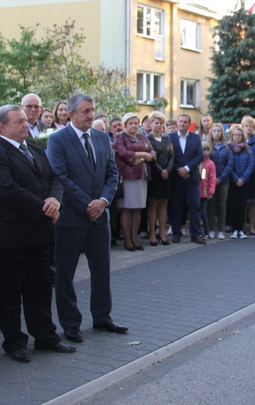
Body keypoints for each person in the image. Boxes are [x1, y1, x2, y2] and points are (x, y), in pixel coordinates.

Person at [0, 105, 75, 363]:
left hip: (39, 232)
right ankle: (14, 342)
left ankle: (45, 335)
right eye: (19, 121)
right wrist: (43, 207)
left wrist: (55, 198)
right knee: (10, 292)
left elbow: (54, 177)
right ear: (2, 127)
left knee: (40, 288)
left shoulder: (33, 148)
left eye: (25, 120)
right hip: (10, 235)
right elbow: (6, 190)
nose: (26, 124)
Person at [46, 94, 127, 343]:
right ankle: (70, 323)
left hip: (99, 216)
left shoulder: (102, 137)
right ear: (71, 115)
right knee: (65, 273)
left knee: (101, 269)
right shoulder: (58, 140)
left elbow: (112, 174)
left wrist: (103, 202)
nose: (91, 115)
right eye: (86, 111)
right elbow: (60, 176)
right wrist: (87, 204)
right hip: (71, 217)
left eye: (92, 110)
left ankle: (102, 316)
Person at [113, 113, 154, 250]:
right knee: (127, 208)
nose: (134, 126)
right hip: (128, 176)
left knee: (137, 208)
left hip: (142, 175)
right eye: (130, 123)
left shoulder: (142, 137)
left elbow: (152, 153)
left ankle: (135, 239)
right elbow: (122, 153)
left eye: (136, 123)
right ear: (125, 125)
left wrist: (142, 158)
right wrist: (143, 154)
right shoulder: (120, 137)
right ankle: (127, 240)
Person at [168, 114, 206, 245]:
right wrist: (181, 169)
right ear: (177, 123)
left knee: (195, 206)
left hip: (192, 177)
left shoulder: (195, 138)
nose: (182, 124)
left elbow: (200, 155)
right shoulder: (170, 137)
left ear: (189, 124)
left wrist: (188, 168)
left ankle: (196, 234)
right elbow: (170, 156)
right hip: (177, 177)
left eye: (185, 122)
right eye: (180, 121)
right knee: (176, 206)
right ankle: (176, 233)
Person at [146, 112, 174, 246]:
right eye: (156, 122)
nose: (159, 125)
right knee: (153, 204)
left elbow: (172, 156)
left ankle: (162, 232)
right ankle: (152, 232)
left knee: (164, 204)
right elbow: (150, 158)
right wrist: (160, 170)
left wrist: (167, 170)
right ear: (150, 124)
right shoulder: (147, 139)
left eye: (161, 123)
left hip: (166, 176)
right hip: (154, 175)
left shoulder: (167, 139)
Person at [226, 126, 253, 239]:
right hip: (233, 181)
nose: (237, 137)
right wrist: (236, 178)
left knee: (242, 205)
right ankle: (234, 228)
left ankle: (241, 229)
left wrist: (243, 178)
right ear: (232, 136)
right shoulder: (228, 148)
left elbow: (250, 164)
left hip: (244, 181)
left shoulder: (247, 149)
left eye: (239, 135)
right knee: (233, 205)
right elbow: (228, 165)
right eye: (235, 135)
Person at [208, 123, 231, 239]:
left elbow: (230, 163)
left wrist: (220, 177)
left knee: (221, 204)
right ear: (210, 132)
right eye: (214, 131)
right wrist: (211, 179)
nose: (216, 133)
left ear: (222, 133)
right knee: (210, 205)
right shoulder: (207, 146)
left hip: (223, 180)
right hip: (209, 180)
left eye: (218, 131)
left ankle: (221, 229)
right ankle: (211, 229)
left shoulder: (226, 146)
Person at [198, 141, 216, 239]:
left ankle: (206, 231)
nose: (205, 152)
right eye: (203, 150)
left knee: (203, 213)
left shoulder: (210, 164)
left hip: (204, 193)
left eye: (207, 150)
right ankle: (198, 231)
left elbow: (212, 179)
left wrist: (210, 191)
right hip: (195, 192)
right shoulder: (196, 162)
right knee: (196, 213)